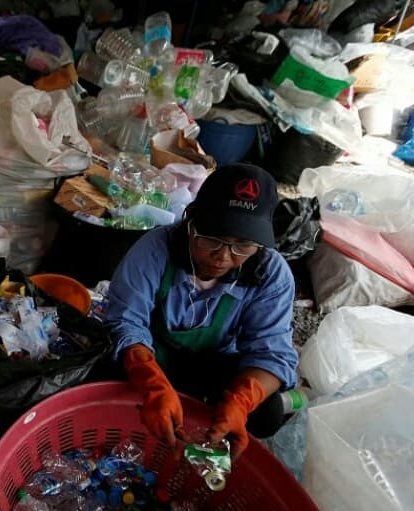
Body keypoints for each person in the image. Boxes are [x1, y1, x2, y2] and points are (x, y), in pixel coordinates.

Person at [105, 163, 297, 458]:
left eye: (242, 245)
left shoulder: (271, 274)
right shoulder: (155, 250)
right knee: (101, 374)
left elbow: (271, 353)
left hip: (215, 365)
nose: (222, 256)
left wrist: (240, 402)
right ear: (190, 223)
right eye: (211, 239)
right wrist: (154, 386)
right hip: (154, 357)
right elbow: (125, 322)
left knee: (267, 412)